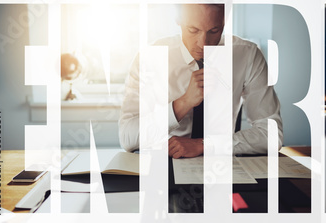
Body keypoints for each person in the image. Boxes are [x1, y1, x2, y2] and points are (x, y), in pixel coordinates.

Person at [118, 4, 283, 158]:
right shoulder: (150, 58)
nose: (203, 43)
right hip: (165, 161)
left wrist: (205, 145)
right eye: (193, 30)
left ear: (225, 20)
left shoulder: (247, 55)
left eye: (214, 30)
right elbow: (127, 136)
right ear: (178, 19)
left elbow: (272, 134)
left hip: (222, 162)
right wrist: (183, 103)